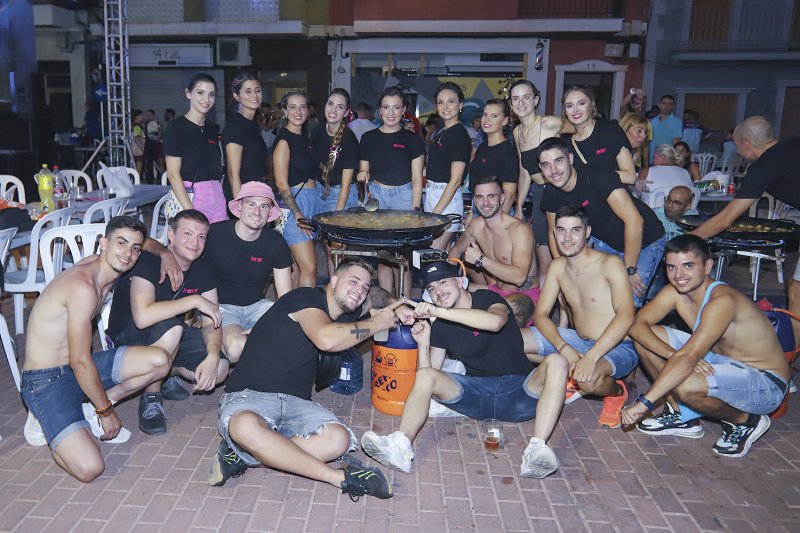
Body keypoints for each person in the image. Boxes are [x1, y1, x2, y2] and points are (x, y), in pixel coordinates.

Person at [208, 259, 399, 499]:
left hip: (296, 406)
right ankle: (341, 478)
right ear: (334, 280)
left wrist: (395, 305)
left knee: (338, 440)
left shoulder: (345, 312)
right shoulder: (305, 299)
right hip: (250, 396)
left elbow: (378, 295)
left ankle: (244, 455)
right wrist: (377, 322)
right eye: (353, 281)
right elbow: (326, 339)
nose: (359, 291)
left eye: (364, 286)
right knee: (244, 425)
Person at [361, 260, 569, 479]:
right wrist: (423, 343)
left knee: (557, 361)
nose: (438, 291)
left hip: (519, 393)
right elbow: (428, 376)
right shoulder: (441, 325)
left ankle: (536, 450)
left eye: (442, 282)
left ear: (461, 281)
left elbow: (495, 322)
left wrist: (438, 312)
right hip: (477, 397)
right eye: (431, 289)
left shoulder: (487, 299)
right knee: (426, 375)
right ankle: (400, 447)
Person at [21, 217, 170, 482]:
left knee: (159, 360)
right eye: (121, 243)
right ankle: (44, 417)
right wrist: (106, 411)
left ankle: (85, 410)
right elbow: (80, 360)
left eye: (135, 248)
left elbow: (144, 242)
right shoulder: (84, 286)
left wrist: (164, 251)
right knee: (90, 468)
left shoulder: (105, 266)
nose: (128, 253)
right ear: (103, 243)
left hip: (75, 367)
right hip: (45, 381)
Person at [622, 235, 789, 457]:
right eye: (671, 267)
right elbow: (637, 325)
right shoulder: (676, 292)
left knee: (686, 384)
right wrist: (673, 354)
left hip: (764, 383)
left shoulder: (721, 301)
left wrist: (645, 404)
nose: (679, 275)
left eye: (688, 266)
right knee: (647, 338)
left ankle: (745, 421)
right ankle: (683, 417)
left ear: (707, 266)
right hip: (719, 363)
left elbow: (689, 356)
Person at [106, 209, 227, 436]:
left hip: (171, 335)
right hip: (128, 336)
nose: (195, 242)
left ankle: (165, 371)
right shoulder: (148, 261)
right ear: (170, 234)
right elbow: (142, 318)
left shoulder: (203, 268)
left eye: (201, 237)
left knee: (219, 369)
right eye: (188, 234)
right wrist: (194, 300)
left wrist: (212, 356)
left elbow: (212, 321)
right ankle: (152, 397)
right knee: (172, 329)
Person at [523, 205, 637, 428]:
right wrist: (565, 349)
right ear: (554, 234)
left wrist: (590, 358)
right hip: (578, 342)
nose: (567, 238)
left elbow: (626, 316)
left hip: (617, 347)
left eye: (575, 230)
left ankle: (617, 391)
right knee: (513, 341)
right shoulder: (557, 267)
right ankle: (566, 371)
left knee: (589, 383)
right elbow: (542, 315)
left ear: (587, 232)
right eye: (561, 230)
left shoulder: (609, 263)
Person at [691, 116, 800, 346]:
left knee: (796, 292)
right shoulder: (792, 145)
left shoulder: (765, 166)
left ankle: (787, 362)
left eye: (738, 146)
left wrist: (688, 239)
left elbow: (725, 219)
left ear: (746, 144)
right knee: (794, 286)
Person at [538, 136, 666, 308]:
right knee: (592, 298)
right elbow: (554, 233)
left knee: (626, 303)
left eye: (558, 161)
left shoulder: (596, 176)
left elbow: (634, 221)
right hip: (605, 242)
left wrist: (629, 270)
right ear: (541, 169)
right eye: (546, 165)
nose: (553, 170)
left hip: (645, 240)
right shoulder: (551, 193)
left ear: (570, 159)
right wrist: (563, 271)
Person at [204, 181, 293, 362]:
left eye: (264, 206)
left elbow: (285, 298)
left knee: (292, 333)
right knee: (238, 347)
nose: (257, 211)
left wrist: (266, 327)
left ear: (270, 213)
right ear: (240, 206)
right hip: (223, 308)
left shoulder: (275, 242)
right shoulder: (215, 234)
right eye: (251, 204)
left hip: (257, 306)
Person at [358, 86, 426, 293]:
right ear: (380, 110)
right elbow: (363, 171)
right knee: (383, 255)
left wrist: (415, 210)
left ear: (403, 110)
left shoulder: (413, 140)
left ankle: (403, 303)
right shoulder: (368, 138)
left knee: (402, 257)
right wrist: (362, 175)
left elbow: (417, 178)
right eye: (386, 107)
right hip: (377, 197)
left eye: (396, 107)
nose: (391, 112)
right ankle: (388, 306)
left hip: (404, 198)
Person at [511, 79, 568, 286]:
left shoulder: (550, 123)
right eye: (515, 99)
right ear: (511, 104)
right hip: (538, 197)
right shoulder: (518, 132)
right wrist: (518, 207)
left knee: (563, 259)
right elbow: (524, 170)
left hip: (560, 193)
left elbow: (584, 131)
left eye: (526, 97)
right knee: (544, 261)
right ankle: (546, 313)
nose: (521, 103)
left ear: (535, 100)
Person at [451, 175, 538, 303]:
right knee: (449, 294)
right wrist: (442, 277)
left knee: (500, 313)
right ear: (474, 200)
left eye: (491, 196)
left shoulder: (519, 230)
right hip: (495, 290)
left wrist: (481, 259)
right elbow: (456, 250)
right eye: (480, 197)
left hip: (523, 297)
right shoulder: (476, 226)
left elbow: (520, 277)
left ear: (502, 198)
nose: (485, 203)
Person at [163, 72, 228, 223]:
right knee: (192, 244)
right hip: (190, 196)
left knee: (219, 243)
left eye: (211, 94)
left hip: (217, 195)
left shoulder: (212, 129)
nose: (206, 99)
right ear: (188, 93)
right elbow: (173, 174)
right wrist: (190, 211)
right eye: (200, 93)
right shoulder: (176, 128)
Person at [273, 89, 320, 288]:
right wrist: (298, 213)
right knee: (309, 268)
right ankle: (309, 314)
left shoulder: (305, 138)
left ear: (308, 111)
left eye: (302, 107)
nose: (298, 111)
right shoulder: (284, 140)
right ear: (285, 111)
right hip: (296, 206)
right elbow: (281, 182)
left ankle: (292, 313)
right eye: (292, 107)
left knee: (298, 269)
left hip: (312, 202)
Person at [424, 82, 472, 250]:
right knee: (440, 254)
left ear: (460, 105)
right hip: (434, 194)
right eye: (440, 102)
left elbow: (456, 180)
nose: (445, 106)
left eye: (451, 101)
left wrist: (436, 213)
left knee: (433, 254)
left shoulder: (458, 134)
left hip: (446, 198)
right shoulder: (443, 131)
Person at [562, 85, 637, 184]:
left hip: (616, 197)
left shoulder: (611, 130)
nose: (575, 110)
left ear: (592, 105)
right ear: (565, 111)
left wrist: (590, 175)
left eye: (581, 103)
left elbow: (630, 177)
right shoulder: (567, 144)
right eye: (569, 106)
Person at [222, 72, 269, 202]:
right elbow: (233, 173)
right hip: (242, 197)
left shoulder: (253, 124)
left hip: (257, 193)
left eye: (257, 90)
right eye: (248, 91)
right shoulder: (236, 126)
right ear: (236, 96)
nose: (254, 95)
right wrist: (240, 206)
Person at [468, 99, 519, 213]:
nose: (487, 119)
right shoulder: (482, 146)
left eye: (494, 116)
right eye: (485, 115)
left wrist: (498, 223)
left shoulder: (507, 151)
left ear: (505, 121)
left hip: (497, 213)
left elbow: (509, 195)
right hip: (479, 209)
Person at [650, 95, 682, 164]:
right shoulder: (653, 121)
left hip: (668, 161)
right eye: (664, 103)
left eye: (669, 104)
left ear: (673, 106)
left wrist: (676, 161)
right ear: (659, 105)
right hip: (653, 159)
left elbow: (676, 143)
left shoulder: (676, 121)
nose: (666, 106)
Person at [144, 109, 165, 182]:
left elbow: (161, 133)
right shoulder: (146, 124)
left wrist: (159, 138)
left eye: (150, 115)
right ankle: (151, 178)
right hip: (150, 145)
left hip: (157, 145)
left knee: (160, 162)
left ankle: (163, 178)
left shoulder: (158, 123)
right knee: (150, 163)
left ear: (153, 115)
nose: (149, 116)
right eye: (148, 115)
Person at [131, 110, 146, 176]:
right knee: (138, 167)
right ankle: (137, 181)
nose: (142, 117)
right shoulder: (137, 126)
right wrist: (143, 148)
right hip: (138, 150)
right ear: (137, 116)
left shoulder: (132, 125)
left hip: (134, 149)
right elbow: (137, 138)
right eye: (141, 116)